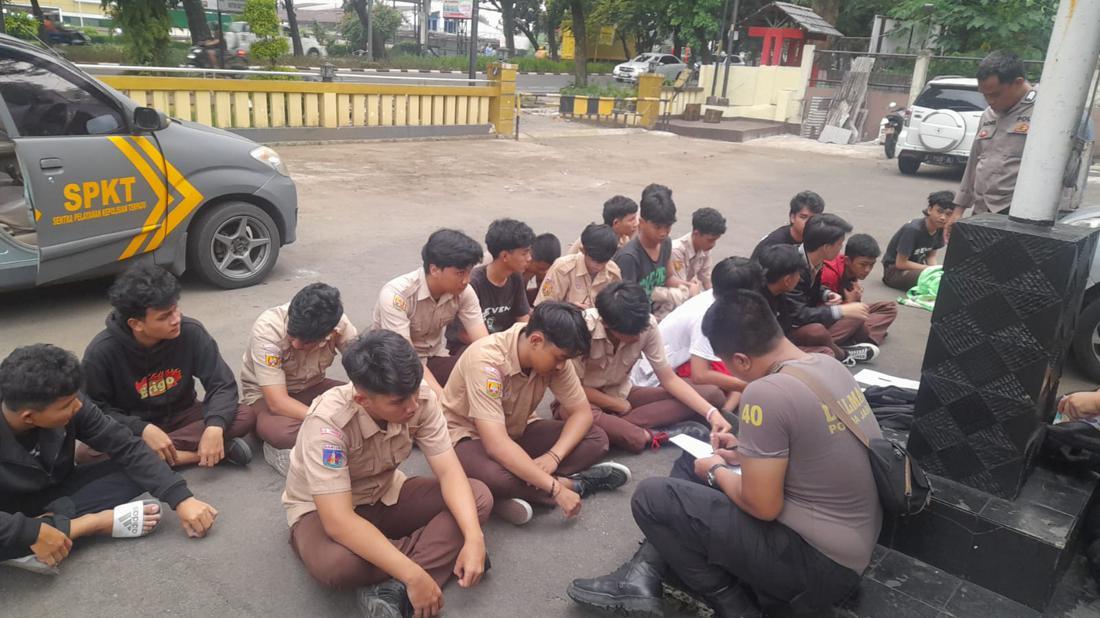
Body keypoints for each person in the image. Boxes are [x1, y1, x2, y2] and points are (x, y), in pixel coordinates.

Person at [567, 291, 882, 617]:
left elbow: (763, 506)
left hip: (815, 565)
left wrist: (716, 471)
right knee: (695, 454)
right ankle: (642, 576)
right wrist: (741, 455)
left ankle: (734, 606)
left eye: (731, 365)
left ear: (742, 360)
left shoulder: (767, 392)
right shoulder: (827, 366)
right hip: (853, 545)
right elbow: (810, 451)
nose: (735, 376)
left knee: (652, 497)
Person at [283, 330, 491, 617]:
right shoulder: (327, 424)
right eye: (398, 402)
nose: (413, 407)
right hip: (322, 511)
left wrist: (474, 537)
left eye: (414, 393)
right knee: (339, 567)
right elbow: (339, 522)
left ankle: (395, 576)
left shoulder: (419, 398)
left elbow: (449, 471)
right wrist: (414, 575)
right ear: (362, 399)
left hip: (385, 493)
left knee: (478, 495)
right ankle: (428, 558)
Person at [1, 345, 219, 575]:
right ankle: (91, 525)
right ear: (29, 417)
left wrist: (182, 498)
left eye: (76, 398)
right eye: (66, 406)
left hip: (57, 487)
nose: (78, 407)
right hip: (6, 508)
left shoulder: (70, 401)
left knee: (144, 465)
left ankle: (50, 532)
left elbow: (124, 445)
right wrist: (29, 531)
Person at [443, 302, 630, 526]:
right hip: (468, 438)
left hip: (517, 430)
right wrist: (556, 488)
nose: (561, 366)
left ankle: (509, 495)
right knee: (495, 475)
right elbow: (495, 444)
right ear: (536, 340)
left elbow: (582, 413)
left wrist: (553, 456)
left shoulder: (556, 357)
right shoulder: (487, 361)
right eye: (559, 358)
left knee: (596, 438)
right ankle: (575, 484)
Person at [82, 264, 254, 469]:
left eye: (175, 310)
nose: (176, 320)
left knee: (245, 415)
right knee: (86, 454)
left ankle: (151, 458)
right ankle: (197, 455)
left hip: (184, 414)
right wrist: (142, 429)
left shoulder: (191, 332)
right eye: (164, 317)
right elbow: (95, 409)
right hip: (134, 425)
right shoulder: (102, 351)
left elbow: (222, 384)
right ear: (136, 324)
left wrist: (215, 426)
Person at [567, 282, 731, 454]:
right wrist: (616, 405)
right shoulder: (581, 329)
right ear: (605, 323)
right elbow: (572, 389)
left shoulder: (647, 324)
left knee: (713, 395)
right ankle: (651, 433)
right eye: (630, 333)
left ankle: (617, 428)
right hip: (582, 402)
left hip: (622, 392)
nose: (638, 337)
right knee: (620, 436)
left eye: (640, 329)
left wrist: (712, 414)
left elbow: (668, 379)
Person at [240, 283, 358, 476]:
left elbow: (362, 371)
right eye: (292, 335)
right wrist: (330, 418)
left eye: (306, 342)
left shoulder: (339, 325)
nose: (295, 344)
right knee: (280, 432)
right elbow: (277, 402)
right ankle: (341, 441)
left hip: (314, 387)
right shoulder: (268, 329)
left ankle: (321, 444)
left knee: (366, 402)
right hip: (268, 400)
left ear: (329, 333)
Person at [372, 229, 489, 394]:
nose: (466, 280)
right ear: (434, 270)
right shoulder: (396, 295)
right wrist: (442, 399)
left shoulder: (464, 291)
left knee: (483, 372)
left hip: (434, 357)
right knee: (428, 402)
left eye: (469, 272)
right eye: (460, 273)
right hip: (394, 366)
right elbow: (406, 358)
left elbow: (483, 343)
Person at [631, 257, 761, 406]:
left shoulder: (718, 298)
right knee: (714, 394)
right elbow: (700, 375)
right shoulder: (708, 316)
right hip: (655, 376)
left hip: (680, 364)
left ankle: (725, 413)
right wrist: (748, 386)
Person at [784, 214, 879, 364]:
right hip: (785, 329)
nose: (841, 249)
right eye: (840, 244)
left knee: (858, 317)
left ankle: (831, 347)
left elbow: (810, 290)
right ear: (826, 247)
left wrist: (826, 294)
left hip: (804, 321)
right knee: (818, 331)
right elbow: (797, 314)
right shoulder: (792, 267)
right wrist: (841, 310)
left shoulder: (814, 260)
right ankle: (842, 353)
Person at [450, 219, 533, 352]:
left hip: (504, 345)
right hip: (471, 347)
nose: (529, 258)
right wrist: (502, 349)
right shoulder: (472, 283)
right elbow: (463, 334)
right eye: (524, 253)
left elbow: (523, 319)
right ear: (505, 256)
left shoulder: (516, 278)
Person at [615, 184, 689, 303]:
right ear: (642, 223)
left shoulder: (666, 243)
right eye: (657, 227)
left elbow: (668, 278)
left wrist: (687, 287)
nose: (663, 233)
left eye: (668, 226)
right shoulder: (629, 258)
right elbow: (626, 301)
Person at [819, 234, 897, 346]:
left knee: (889, 307)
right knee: (857, 317)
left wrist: (854, 302)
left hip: (841, 312)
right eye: (863, 264)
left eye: (872, 265)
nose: (867, 270)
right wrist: (849, 304)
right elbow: (821, 313)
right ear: (847, 261)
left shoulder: (851, 271)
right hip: (823, 319)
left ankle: (859, 337)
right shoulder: (829, 274)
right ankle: (837, 344)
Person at [534, 223, 622, 309]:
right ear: (583, 250)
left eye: (604, 261)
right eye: (594, 260)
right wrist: (569, 309)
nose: (598, 266)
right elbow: (542, 308)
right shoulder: (561, 269)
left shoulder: (613, 272)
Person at [883, 191, 954, 291]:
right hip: (895, 271)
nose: (943, 217)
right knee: (934, 282)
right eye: (939, 211)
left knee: (944, 278)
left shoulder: (940, 229)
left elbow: (931, 255)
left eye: (948, 214)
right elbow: (901, 263)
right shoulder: (913, 229)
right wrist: (929, 269)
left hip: (917, 268)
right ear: (929, 210)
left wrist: (936, 271)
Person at [750, 191, 825, 261]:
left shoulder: (817, 239)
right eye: (803, 217)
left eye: (814, 218)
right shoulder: (775, 244)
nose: (809, 222)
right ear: (792, 217)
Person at [567, 195, 639, 255]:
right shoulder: (593, 239)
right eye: (631, 220)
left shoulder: (624, 239)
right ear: (616, 223)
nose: (636, 223)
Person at [524, 233, 561, 305]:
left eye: (547, 269)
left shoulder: (549, 272)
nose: (544, 273)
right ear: (531, 256)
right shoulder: (517, 270)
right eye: (541, 269)